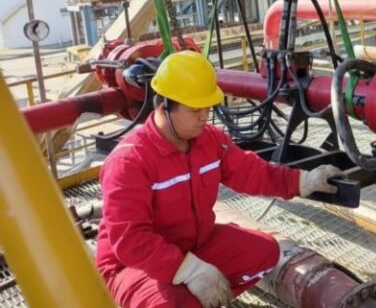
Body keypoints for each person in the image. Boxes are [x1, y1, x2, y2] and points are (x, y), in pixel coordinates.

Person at [96, 50, 344, 308]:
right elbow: (130, 240)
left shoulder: (208, 140)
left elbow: (250, 171)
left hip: (195, 245)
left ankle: (203, 297)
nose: (205, 116)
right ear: (165, 107)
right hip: (134, 266)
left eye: (207, 107)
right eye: (196, 110)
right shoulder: (129, 162)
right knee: (170, 304)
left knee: (266, 253)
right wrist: (188, 271)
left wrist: (302, 181)